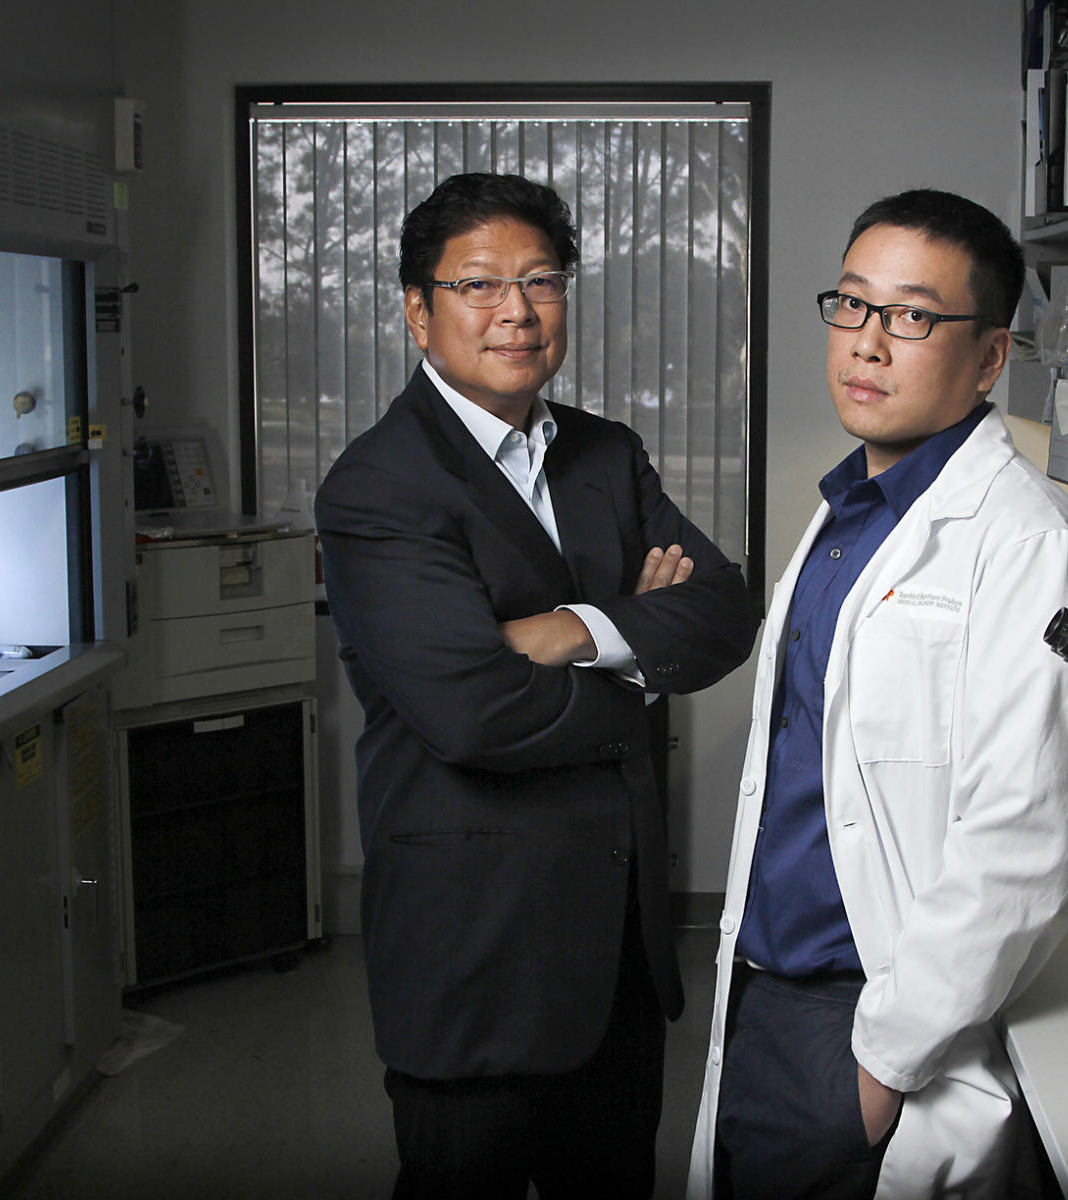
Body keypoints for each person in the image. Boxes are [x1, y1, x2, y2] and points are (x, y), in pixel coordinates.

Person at [316, 172, 760, 1199]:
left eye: (542, 281)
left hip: (615, 948)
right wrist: (641, 663)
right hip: (475, 946)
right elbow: (469, 710)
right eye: (478, 285)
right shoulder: (377, 486)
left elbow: (726, 612)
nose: (515, 312)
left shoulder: (606, 455)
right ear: (416, 311)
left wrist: (566, 629)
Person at [685, 189, 1068, 1199]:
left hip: (864, 1019)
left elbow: (1028, 826)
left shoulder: (1026, 540)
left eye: (912, 316)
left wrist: (876, 1069)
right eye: (852, 306)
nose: (867, 344)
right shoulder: (847, 510)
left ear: (989, 358)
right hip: (766, 988)